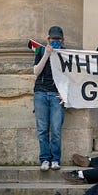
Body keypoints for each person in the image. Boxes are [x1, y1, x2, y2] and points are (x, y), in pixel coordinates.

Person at [33, 25, 66, 171]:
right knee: (42, 129)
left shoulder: (66, 54)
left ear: (62, 40)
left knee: (56, 129)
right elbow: (36, 71)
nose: (55, 42)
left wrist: (64, 93)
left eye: (58, 39)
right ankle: (45, 159)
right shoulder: (40, 51)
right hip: (40, 93)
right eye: (53, 39)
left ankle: (55, 159)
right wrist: (46, 54)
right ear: (48, 39)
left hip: (56, 95)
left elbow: (70, 76)